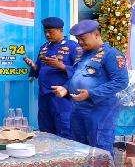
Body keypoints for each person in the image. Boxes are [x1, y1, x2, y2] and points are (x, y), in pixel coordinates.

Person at [51, 20, 128, 154]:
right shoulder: (82, 54)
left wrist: (91, 93)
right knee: (79, 149)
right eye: (78, 39)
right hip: (78, 108)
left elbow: (121, 81)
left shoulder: (111, 54)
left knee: (99, 150)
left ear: (96, 35)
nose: (80, 42)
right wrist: (65, 88)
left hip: (100, 110)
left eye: (83, 39)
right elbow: (76, 76)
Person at [24, 17, 79, 138]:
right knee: (45, 131)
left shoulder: (72, 47)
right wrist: (33, 66)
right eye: (45, 32)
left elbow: (80, 72)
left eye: (51, 32)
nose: (47, 35)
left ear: (60, 30)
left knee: (64, 130)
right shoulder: (44, 47)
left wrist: (62, 66)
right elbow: (39, 70)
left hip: (61, 97)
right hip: (44, 96)